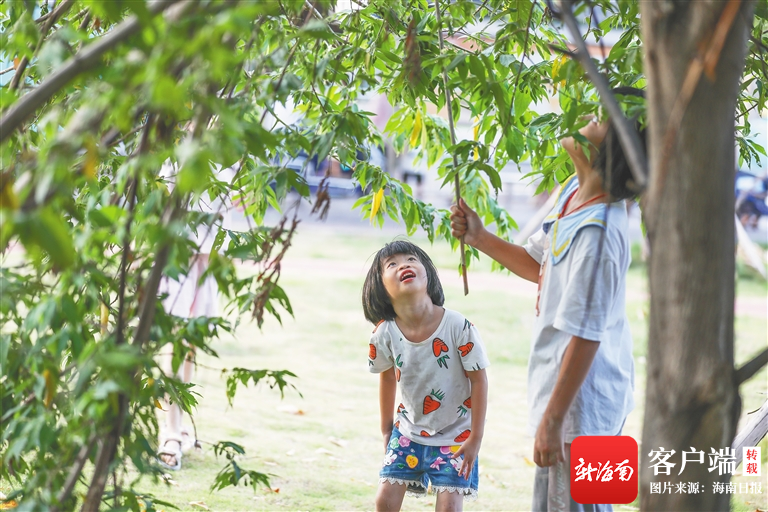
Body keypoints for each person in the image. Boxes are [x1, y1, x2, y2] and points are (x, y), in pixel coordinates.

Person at [450, 108, 645, 511]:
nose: (589, 113)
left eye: (602, 118)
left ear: (610, 150)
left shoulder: (598, 236)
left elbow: (586, 335)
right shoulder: (574, 193)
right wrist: (480, 237)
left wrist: (553, 421)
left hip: (581, 412)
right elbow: (540, 264)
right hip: (578, 404)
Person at [363, 240, 490, 512]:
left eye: (411, 259)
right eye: (392, 264)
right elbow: (387, 378)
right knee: (384, 501)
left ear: (428, 274)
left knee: (449, 508)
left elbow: (479, 380)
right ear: (380, 287)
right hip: (407, 431)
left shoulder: (458, 326)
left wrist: (476, 437)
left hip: (457, 435)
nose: (404, 265)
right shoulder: (384, 333)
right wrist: (386, 428)